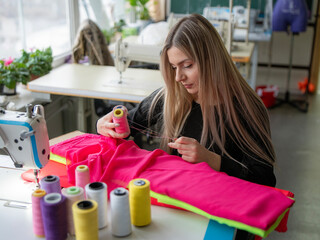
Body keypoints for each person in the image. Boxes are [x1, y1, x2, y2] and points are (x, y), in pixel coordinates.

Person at [97, 14, 276, 239]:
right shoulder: (174, 96)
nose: (179, 77)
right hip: (181, 207)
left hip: (225, 217)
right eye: (173, 67)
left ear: (211, 59)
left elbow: (266, 179)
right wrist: (107, 123)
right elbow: (129, 122)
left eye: (187, 66)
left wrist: (212, 160)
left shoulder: (246, 108)